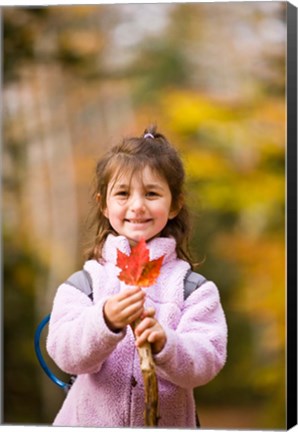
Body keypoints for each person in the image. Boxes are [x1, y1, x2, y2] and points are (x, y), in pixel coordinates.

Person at [46, 125, 228, 428]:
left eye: (152, 193)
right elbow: (65, 353)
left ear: (175, 204)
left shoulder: (193, 290)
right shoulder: (85, 285)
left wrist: (165, 345)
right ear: (104, 205)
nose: (137, 206)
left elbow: (207, 360)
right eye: (122, 193)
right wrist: (104, 321)